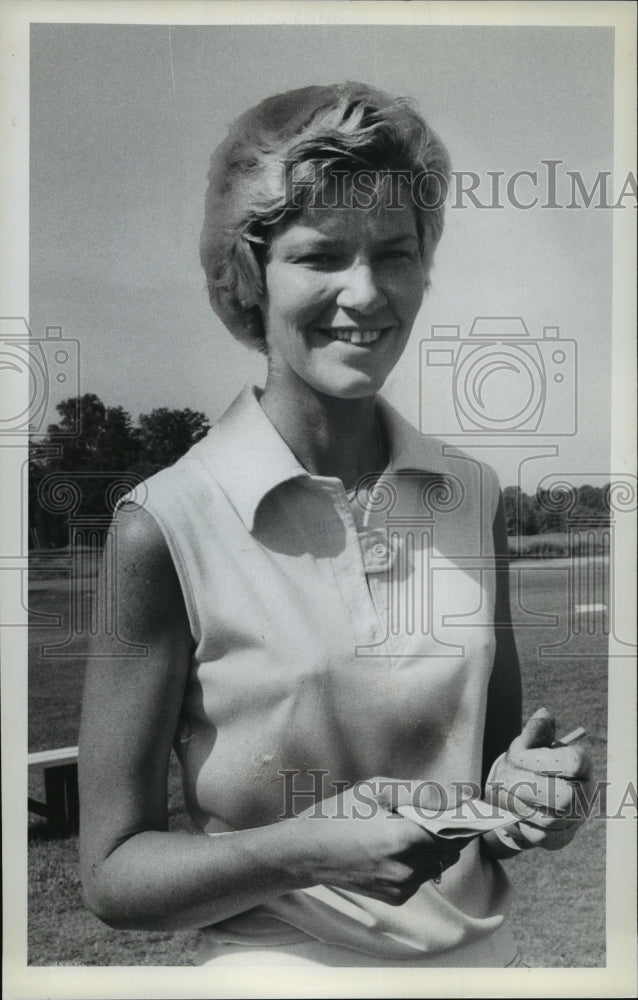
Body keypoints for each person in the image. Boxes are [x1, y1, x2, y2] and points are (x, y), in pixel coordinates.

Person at [79, 82, 592, 968]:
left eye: (394, 253)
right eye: (320, 256)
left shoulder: (471, 494)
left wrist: (539, 799)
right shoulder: (164, 525)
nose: (366, 293)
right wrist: (306, 848)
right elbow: (111, 875)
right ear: (249, 276)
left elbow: (492, 804)